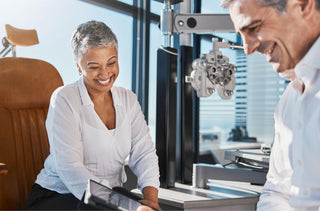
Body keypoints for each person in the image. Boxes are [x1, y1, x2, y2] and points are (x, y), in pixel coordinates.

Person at [25, 20, 161, 210]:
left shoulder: (128, 99)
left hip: (108, 196)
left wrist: (151, 201)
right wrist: (123, 205)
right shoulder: (64, 99)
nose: (105, 73)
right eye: (94, 66)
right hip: (57, 196)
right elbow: (71, 169)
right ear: (79, 66)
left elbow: (144, 152)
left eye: (111, 62)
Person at [220, 0, 320, 210]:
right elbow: (277, 189)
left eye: (253, 28)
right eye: (241, 35)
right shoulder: (289, 100)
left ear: (303, 5)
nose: (247, 49)